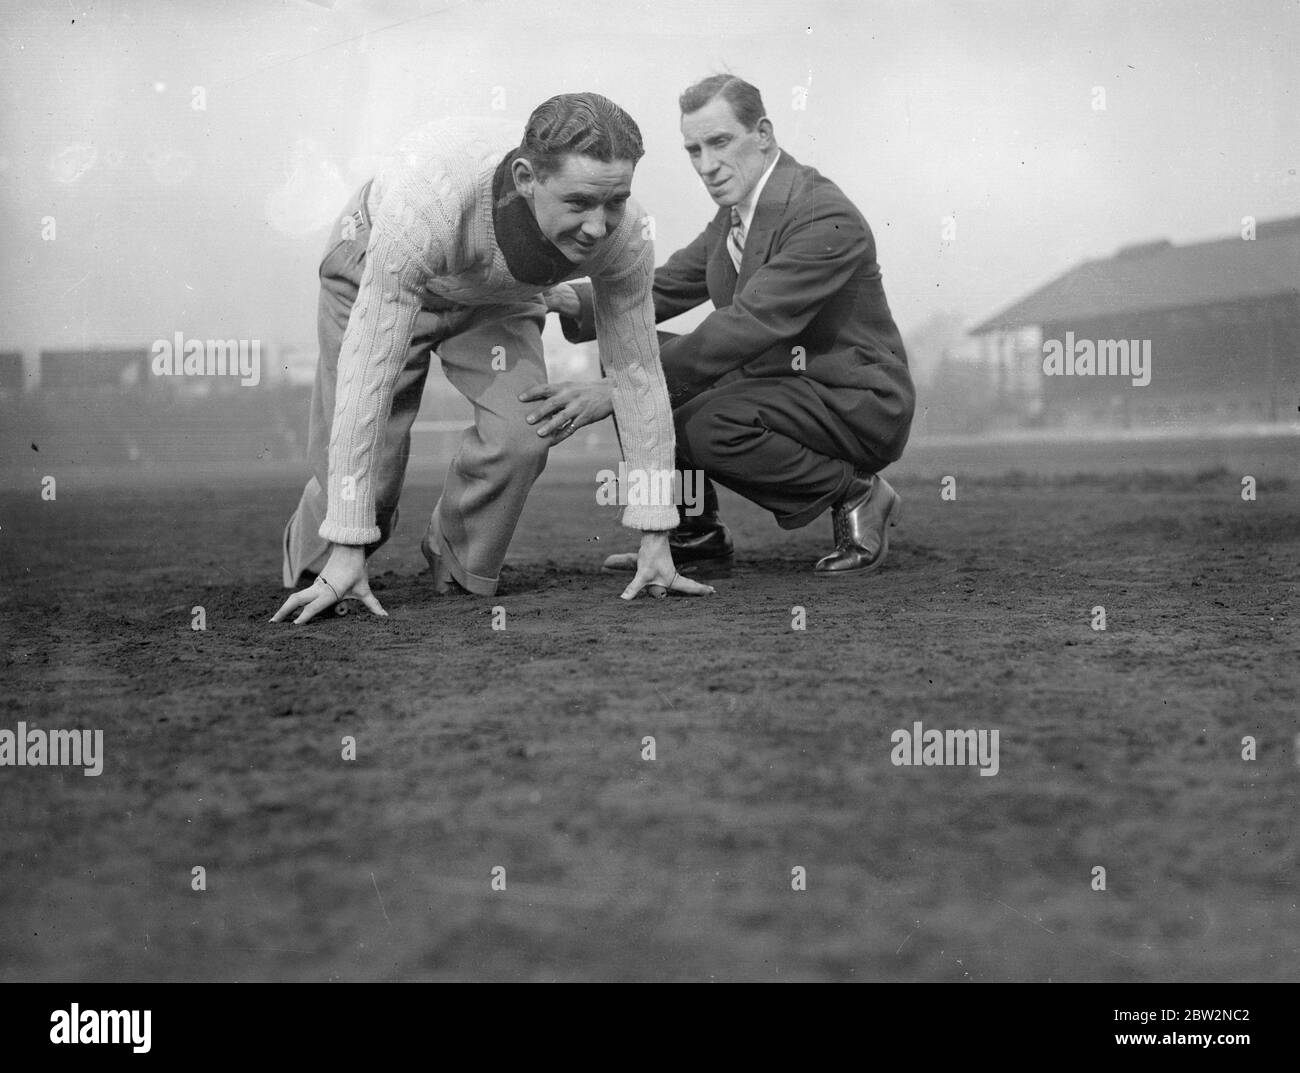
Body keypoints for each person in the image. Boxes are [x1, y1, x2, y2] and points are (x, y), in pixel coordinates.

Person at [273, 93, 713, 626]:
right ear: (526, 177)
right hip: (377, 267)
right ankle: (319, 559)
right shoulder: (428, 201)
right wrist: (347, 547)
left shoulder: (625, 237)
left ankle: (455, 562)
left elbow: (636, 373)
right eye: (578, 203)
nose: (599, 227)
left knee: (524, 433)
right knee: (375, 463)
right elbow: (367, 376)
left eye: (614, 200)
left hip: (497, 298)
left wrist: (655, 536)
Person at [539, 76, 914, 577]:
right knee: (628, 350)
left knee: (705, 424)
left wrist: (626, 390)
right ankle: (696, 535)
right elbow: (669, 284)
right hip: (783, 385)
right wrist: (568, 299)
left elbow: (749, 323)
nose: (706, 165)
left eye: (719, 142)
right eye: (693, 149)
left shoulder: (822, 213)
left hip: (853, 401)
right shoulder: (736, 213)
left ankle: (857, 494)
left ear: (763, 133)